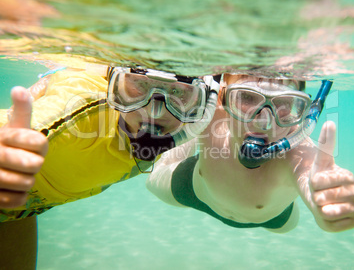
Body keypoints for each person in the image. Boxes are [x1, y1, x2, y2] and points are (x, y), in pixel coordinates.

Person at [0, 65, 220, 269]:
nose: (155, 112)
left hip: (21, 209)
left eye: (179, 94)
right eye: (140, 85)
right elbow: (37, 121)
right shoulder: (85, 110)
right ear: (114, 87)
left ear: (201, 103)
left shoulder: (178, 128)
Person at [147, 73, 354, 233]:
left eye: (284, 103)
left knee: (288, 228)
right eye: (247, 98)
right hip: (196, 191)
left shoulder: (298, 151)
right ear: (222, 97)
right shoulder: (214, 111)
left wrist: (324, 199)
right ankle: (193, 133)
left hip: (274, 219)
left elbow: (310, 171)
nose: (263, 122)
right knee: (153, 179)